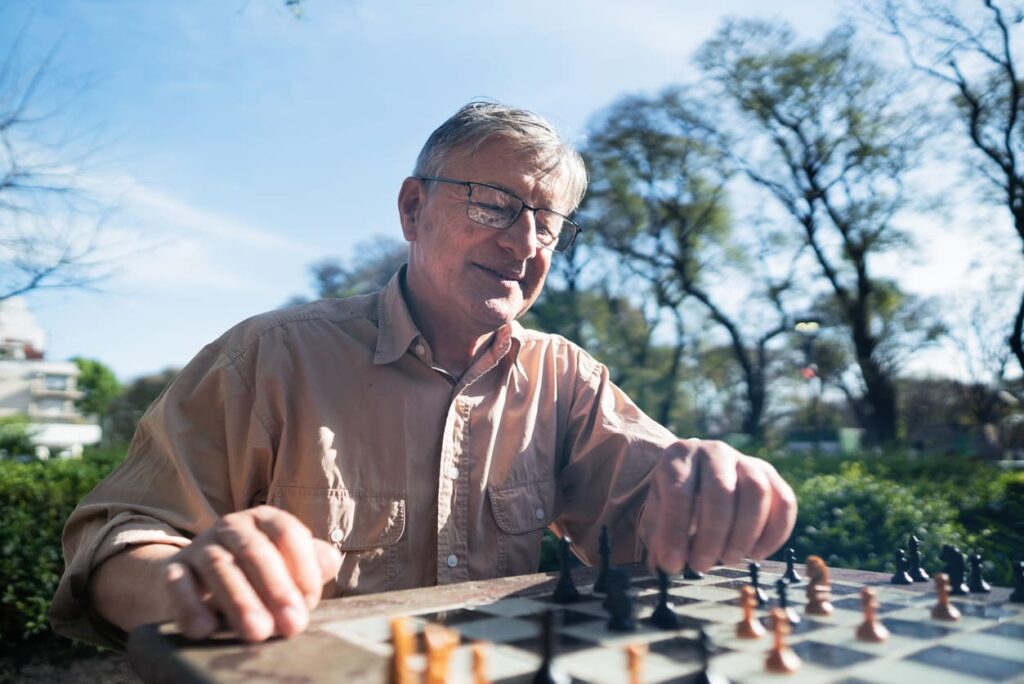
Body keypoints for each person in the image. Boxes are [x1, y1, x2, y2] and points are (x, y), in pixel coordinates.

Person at [51, 101, 797, 648]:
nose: (525, 243)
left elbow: (659, 518)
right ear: (413, 208)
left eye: (549, 223)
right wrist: (180, 580)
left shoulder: (566, 377)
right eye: (496, 204)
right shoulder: (268, 358)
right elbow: (118, 540)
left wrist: (727, 487)